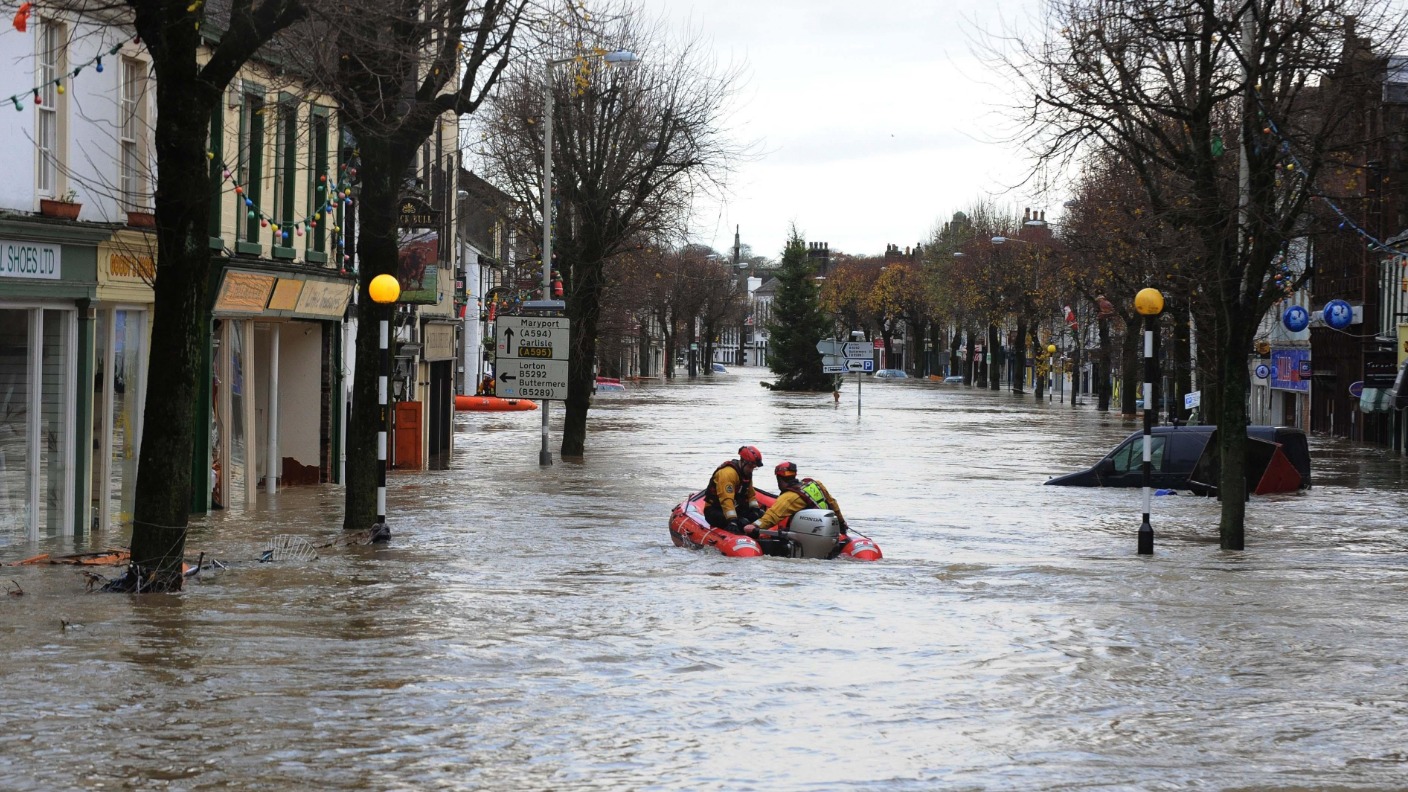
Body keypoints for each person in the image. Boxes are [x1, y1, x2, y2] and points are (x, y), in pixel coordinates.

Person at [739, 461, 848, 538]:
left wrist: (754, 526)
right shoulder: (816, 484)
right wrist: (842, 523)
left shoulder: (789, 496)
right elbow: (833, 504)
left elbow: (772, 516)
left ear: (779, 479)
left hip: (810, 538)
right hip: (829, 532)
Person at [703, 445, 764, 530]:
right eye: (750, 467)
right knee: (743, 522)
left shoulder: (746, 473)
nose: (751, 470)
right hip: (715, 510)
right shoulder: (728, 473)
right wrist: (732, 520)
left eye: (753, 468)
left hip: (736, 507)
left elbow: (751, 494)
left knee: (760, 515)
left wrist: (755, 510)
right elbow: (726, 500)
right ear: (743, 461)